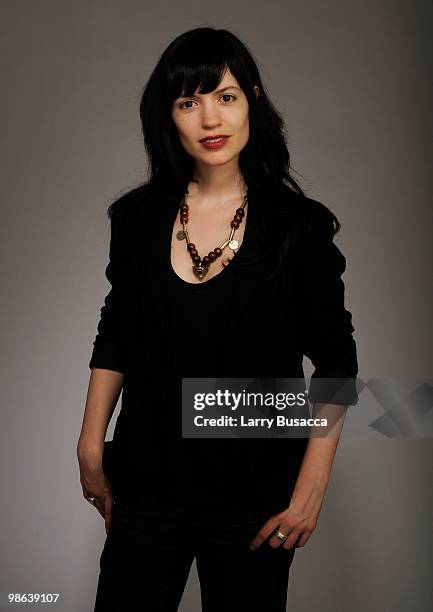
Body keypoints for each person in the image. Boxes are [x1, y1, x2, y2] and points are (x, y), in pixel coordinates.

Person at [77, 27, 359, 612]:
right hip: (147, 486)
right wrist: (89, 447)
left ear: (252, 99)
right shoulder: (137, 219)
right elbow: (115, 334)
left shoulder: (297, 227)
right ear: (169, 117)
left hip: (254, 498)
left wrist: (310, 490)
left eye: (225, 96)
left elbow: (337, 362)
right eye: (189, 102)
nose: (210, 118)